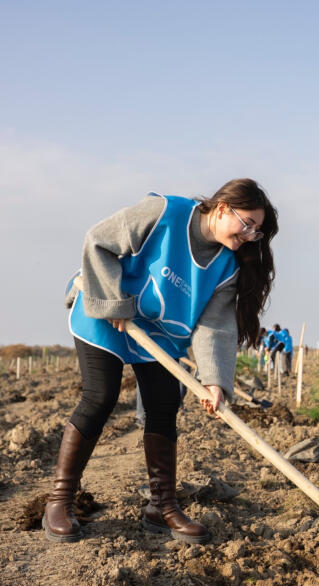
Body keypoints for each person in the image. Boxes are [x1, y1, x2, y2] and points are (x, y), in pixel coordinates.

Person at [46, 178, 278, 545]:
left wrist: (214, 379)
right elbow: (98, 241)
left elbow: (213, 325)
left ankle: (162, 507)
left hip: (158, 331)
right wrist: (113, 302)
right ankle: (59, 501)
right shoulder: (165, 213)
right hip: (106, 309)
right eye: (246, 223)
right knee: (100, 396)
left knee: (164, 405)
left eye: (256, 231)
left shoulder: (227, 267)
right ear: (221, 209)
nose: (250, 235)